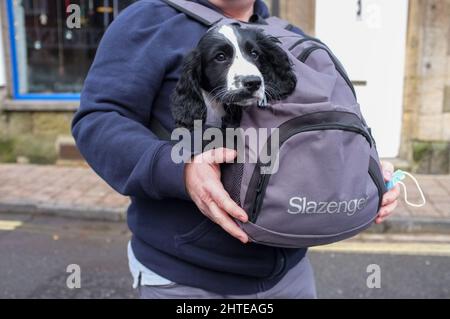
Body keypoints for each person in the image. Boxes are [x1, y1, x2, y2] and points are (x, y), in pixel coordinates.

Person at [72, 0, 400, 299]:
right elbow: (99, 120)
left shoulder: (288, 35)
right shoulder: (148, 21)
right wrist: (181, 171)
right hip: (187, 280)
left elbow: (322, 130)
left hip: (290, 276)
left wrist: (363, 170)